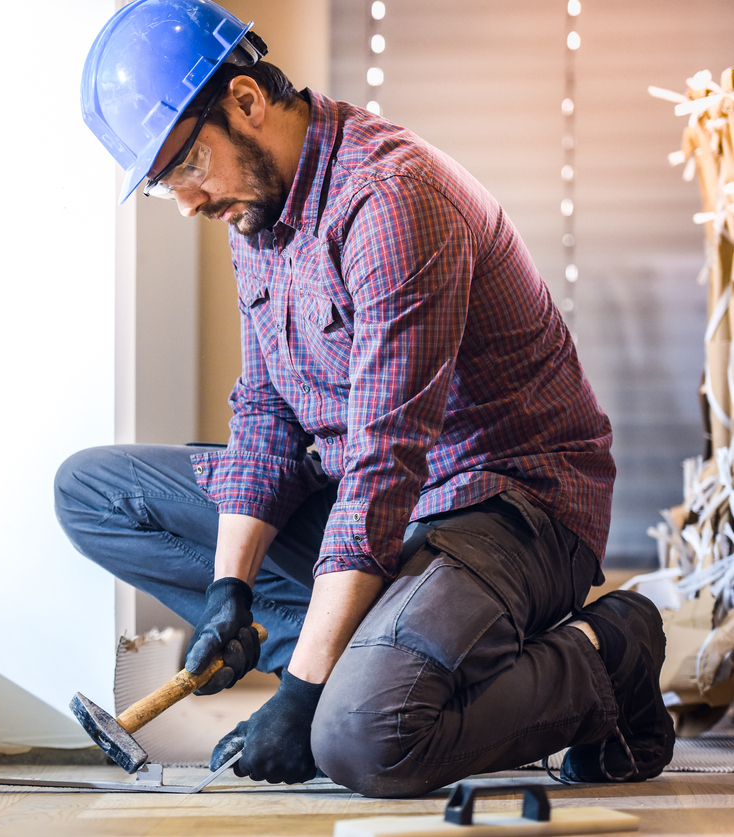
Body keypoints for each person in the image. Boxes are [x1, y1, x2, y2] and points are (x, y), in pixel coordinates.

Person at [55, 0, 674, 797]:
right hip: (383, 506)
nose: (187, 202)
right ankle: (380, 645)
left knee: (362, 739)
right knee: (95, 492)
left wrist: (303, 691)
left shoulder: (391, 200)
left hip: (505, 507)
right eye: (163, 184)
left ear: (245, 101)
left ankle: (608, 656)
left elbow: (387, 461)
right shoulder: (259, 214)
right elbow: (267, 414)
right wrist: (228, 588)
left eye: (187, 166)